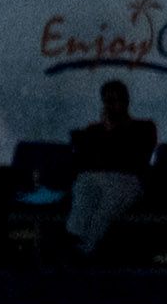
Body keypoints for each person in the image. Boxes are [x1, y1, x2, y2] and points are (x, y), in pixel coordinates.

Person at [66, 79, 155, 256]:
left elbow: (135, 158)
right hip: (96, 178)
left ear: (126, 102)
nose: (113, 106)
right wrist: (104, 133)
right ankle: (74, 237)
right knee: (84, 187)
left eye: (117, 101)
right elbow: (88, 160)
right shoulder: (94, 131)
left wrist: (112, 132)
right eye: (108, 101)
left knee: (107, 203)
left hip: (127, 180)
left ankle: (87, 247)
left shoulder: (143, 128)